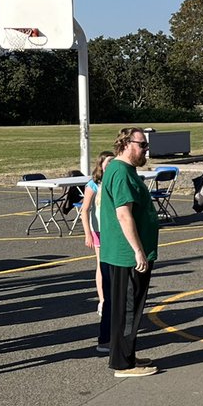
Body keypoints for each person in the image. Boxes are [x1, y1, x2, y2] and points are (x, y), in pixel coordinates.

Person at [99, 127, 160, 377]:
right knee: (127, 309)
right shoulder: (121, 172)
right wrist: (138, 251)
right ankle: (123, 364)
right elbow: (123, 215)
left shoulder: (126, 170)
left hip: (126, 254)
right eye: (142, 145)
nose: (146, 150)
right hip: (126, 255)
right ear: (126, 144)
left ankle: (126, 354)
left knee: (128, 309)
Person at [81, 151, 115, 353]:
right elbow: (84, 210)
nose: (110, 165)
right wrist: (87, 233)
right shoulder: (94, 184)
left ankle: (109, 298)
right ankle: (103, 300)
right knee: (101, 264)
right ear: (101, 165)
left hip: (112, 229)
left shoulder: (113, 181)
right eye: (107, 162)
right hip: (98, 229)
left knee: (111, 264)